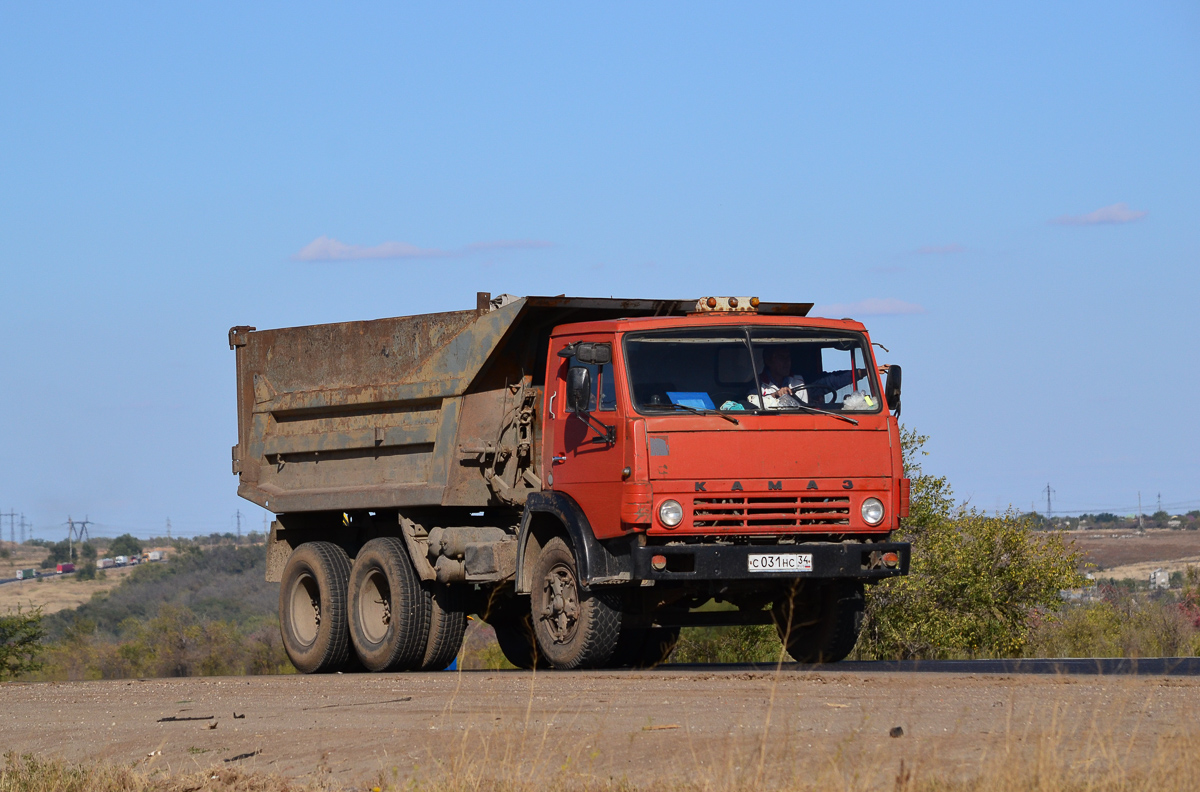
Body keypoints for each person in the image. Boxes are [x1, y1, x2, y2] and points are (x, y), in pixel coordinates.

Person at [754, 346, 856, 409]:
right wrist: (775, 395)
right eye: (781, 357)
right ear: (768, 360)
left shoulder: (800, 381)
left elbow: (830, 382)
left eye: (788, 357)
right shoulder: (756, 384)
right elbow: (749, 402)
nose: (787, 362)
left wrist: (860, 373)